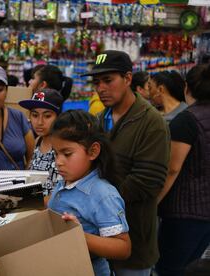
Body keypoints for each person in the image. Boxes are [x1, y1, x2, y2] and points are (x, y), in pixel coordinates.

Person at [83, 50, 170, 276]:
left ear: (128, 78)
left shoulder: (152, 123)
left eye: (108, 80)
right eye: (97, 82)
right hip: (101, 239)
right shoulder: (101, 119)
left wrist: (97, 198)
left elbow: (147, 183)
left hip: (134, 241)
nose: (101, 88)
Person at [48, 110, 131, 276]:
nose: (58, 162)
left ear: (93, 151)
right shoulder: (67, 179)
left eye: (67, 154)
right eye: (56, 153)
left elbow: (123, 248)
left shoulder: (103, 195)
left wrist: (79, 236)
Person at [156, 64, 210, 276]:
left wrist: (154, 201)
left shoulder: (187, 120)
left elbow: (172, 169)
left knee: (170, 269)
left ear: (187, 88)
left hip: (183, 211)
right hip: (206, 211)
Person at [19, 88, 64, 199]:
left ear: (59, 117)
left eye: (47, 116)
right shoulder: (37, 142)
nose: (40, 122)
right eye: (35, 115)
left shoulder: (64, 146)